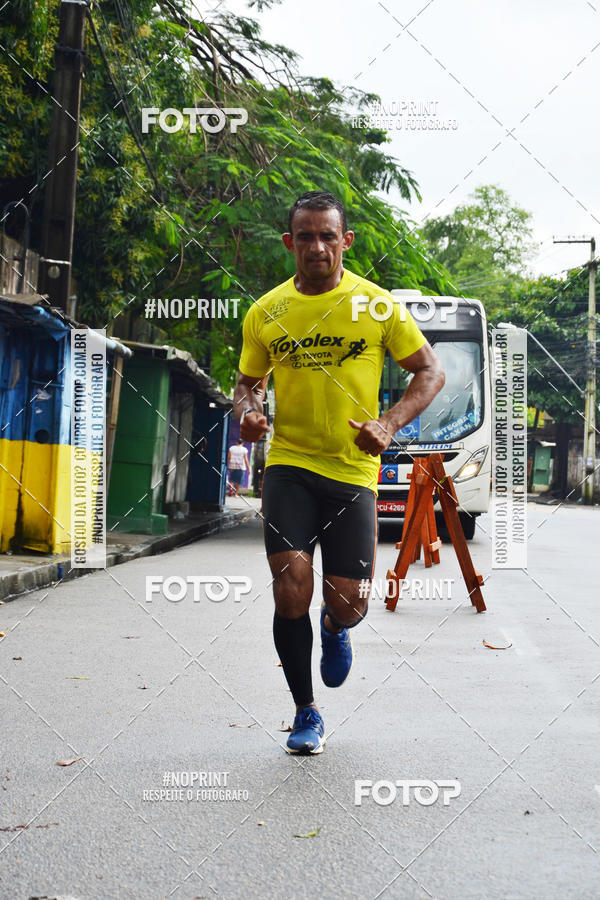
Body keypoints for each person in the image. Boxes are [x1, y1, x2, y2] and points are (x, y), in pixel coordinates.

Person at [234, 190, 445, 754]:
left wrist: (390, 423)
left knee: (350, 603)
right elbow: (247, 383)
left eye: (328, 236)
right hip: (290, 466)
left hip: (353, 473)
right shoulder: (266, 312)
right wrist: (249, 413)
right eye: (305, 236)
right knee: (289, 589)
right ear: (290, 243)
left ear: (345, 241)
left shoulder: (377, 306)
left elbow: (430, 371)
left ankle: (334, 626)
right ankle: (305, 711)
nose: (317, 247)